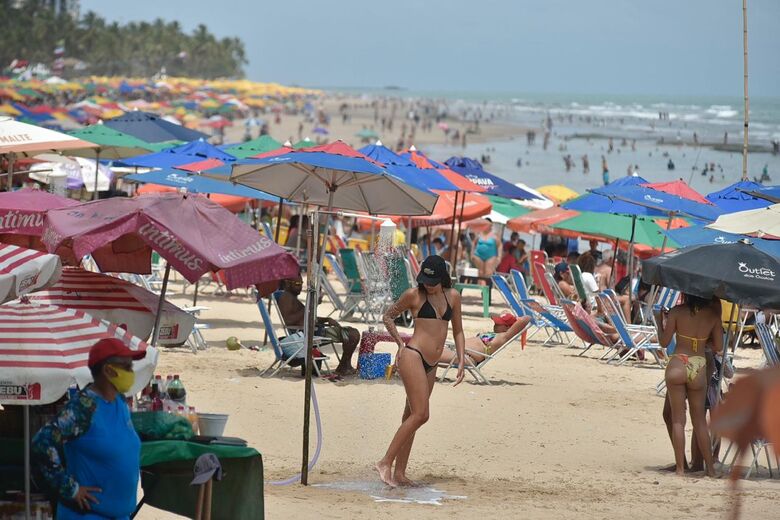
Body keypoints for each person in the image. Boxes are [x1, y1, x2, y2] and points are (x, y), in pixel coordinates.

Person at [376, 255, 465, 487]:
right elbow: (388, 317)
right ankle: (385, 462)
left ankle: (400, 473)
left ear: (443, 278)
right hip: (413, 355)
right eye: (425, 280)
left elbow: (458, 330)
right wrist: (399, 343)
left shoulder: (453, 296)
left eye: (432, 282)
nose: (428, 285)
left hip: (432, 363)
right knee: (421, 414)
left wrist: (461, 359)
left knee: (411, 417)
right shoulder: (413, 295)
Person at [32, 338, 146, 519]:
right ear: (108, 370)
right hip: (87, 515)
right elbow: (42, 442)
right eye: (126, 367)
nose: (131, 373)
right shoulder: (84, 407)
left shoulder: (119, 401)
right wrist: (70, 489)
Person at [655, 294, 724, 477]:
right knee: (699, 421)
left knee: (678, 420)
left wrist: (659, 321)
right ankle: (710, 470)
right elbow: (718, 346)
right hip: (698, 364)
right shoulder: (712, 316)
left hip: (678, 362)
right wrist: (702, 339)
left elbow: (664, 342)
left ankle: (680, 469)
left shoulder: (677, 312)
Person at [277, 273, 361, 376]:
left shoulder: (291, 297)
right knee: (352, 334)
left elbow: (306, 317)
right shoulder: (286, 298)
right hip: (307, 334)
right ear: (287, 283)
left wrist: (326, 319)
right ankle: (344, 366)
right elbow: (290, 320)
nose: (300, 287)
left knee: (350, 331)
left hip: (310, 330)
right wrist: (312, 305)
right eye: (297, 284)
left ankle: (344, 365)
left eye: (301, 284)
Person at [439, 312, 531, 366]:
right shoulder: (495, 334)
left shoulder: (503, 337)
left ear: (507, 327)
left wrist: (515, 319)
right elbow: (504, 311)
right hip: (455, 350)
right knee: (431, 349)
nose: (495, 325)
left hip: (466, 357)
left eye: (498, 324)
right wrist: (508, 316)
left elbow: (526, 318)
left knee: (432, 354)